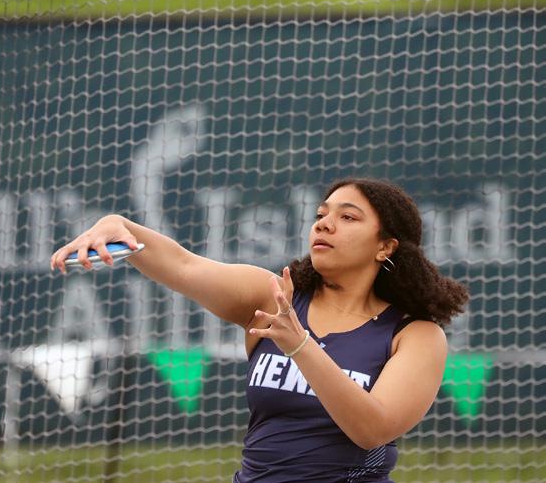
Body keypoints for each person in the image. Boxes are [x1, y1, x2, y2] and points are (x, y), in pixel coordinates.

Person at [50, 177, 468, 482]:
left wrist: (301, 345)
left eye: (347, 217)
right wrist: (120, 225)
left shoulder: (414, 335)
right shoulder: (274, 296)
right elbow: (183, 265)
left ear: (385, 246)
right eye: (321, 215)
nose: (324, 224)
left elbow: (371, 429)